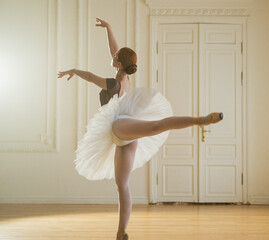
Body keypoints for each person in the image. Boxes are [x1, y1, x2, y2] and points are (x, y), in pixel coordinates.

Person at [58, 18, 223, 240]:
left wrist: (73, 70)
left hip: (120, 125)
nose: (112, 56)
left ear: (118, 64)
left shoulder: (113, 83)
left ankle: (200, 120)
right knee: (122, 185)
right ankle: (121, 232)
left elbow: (89, 76)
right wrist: (109, 28)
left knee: (155, 126)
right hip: (123, 136)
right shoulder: (122, 78)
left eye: (114, 58)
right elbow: (116, 50)